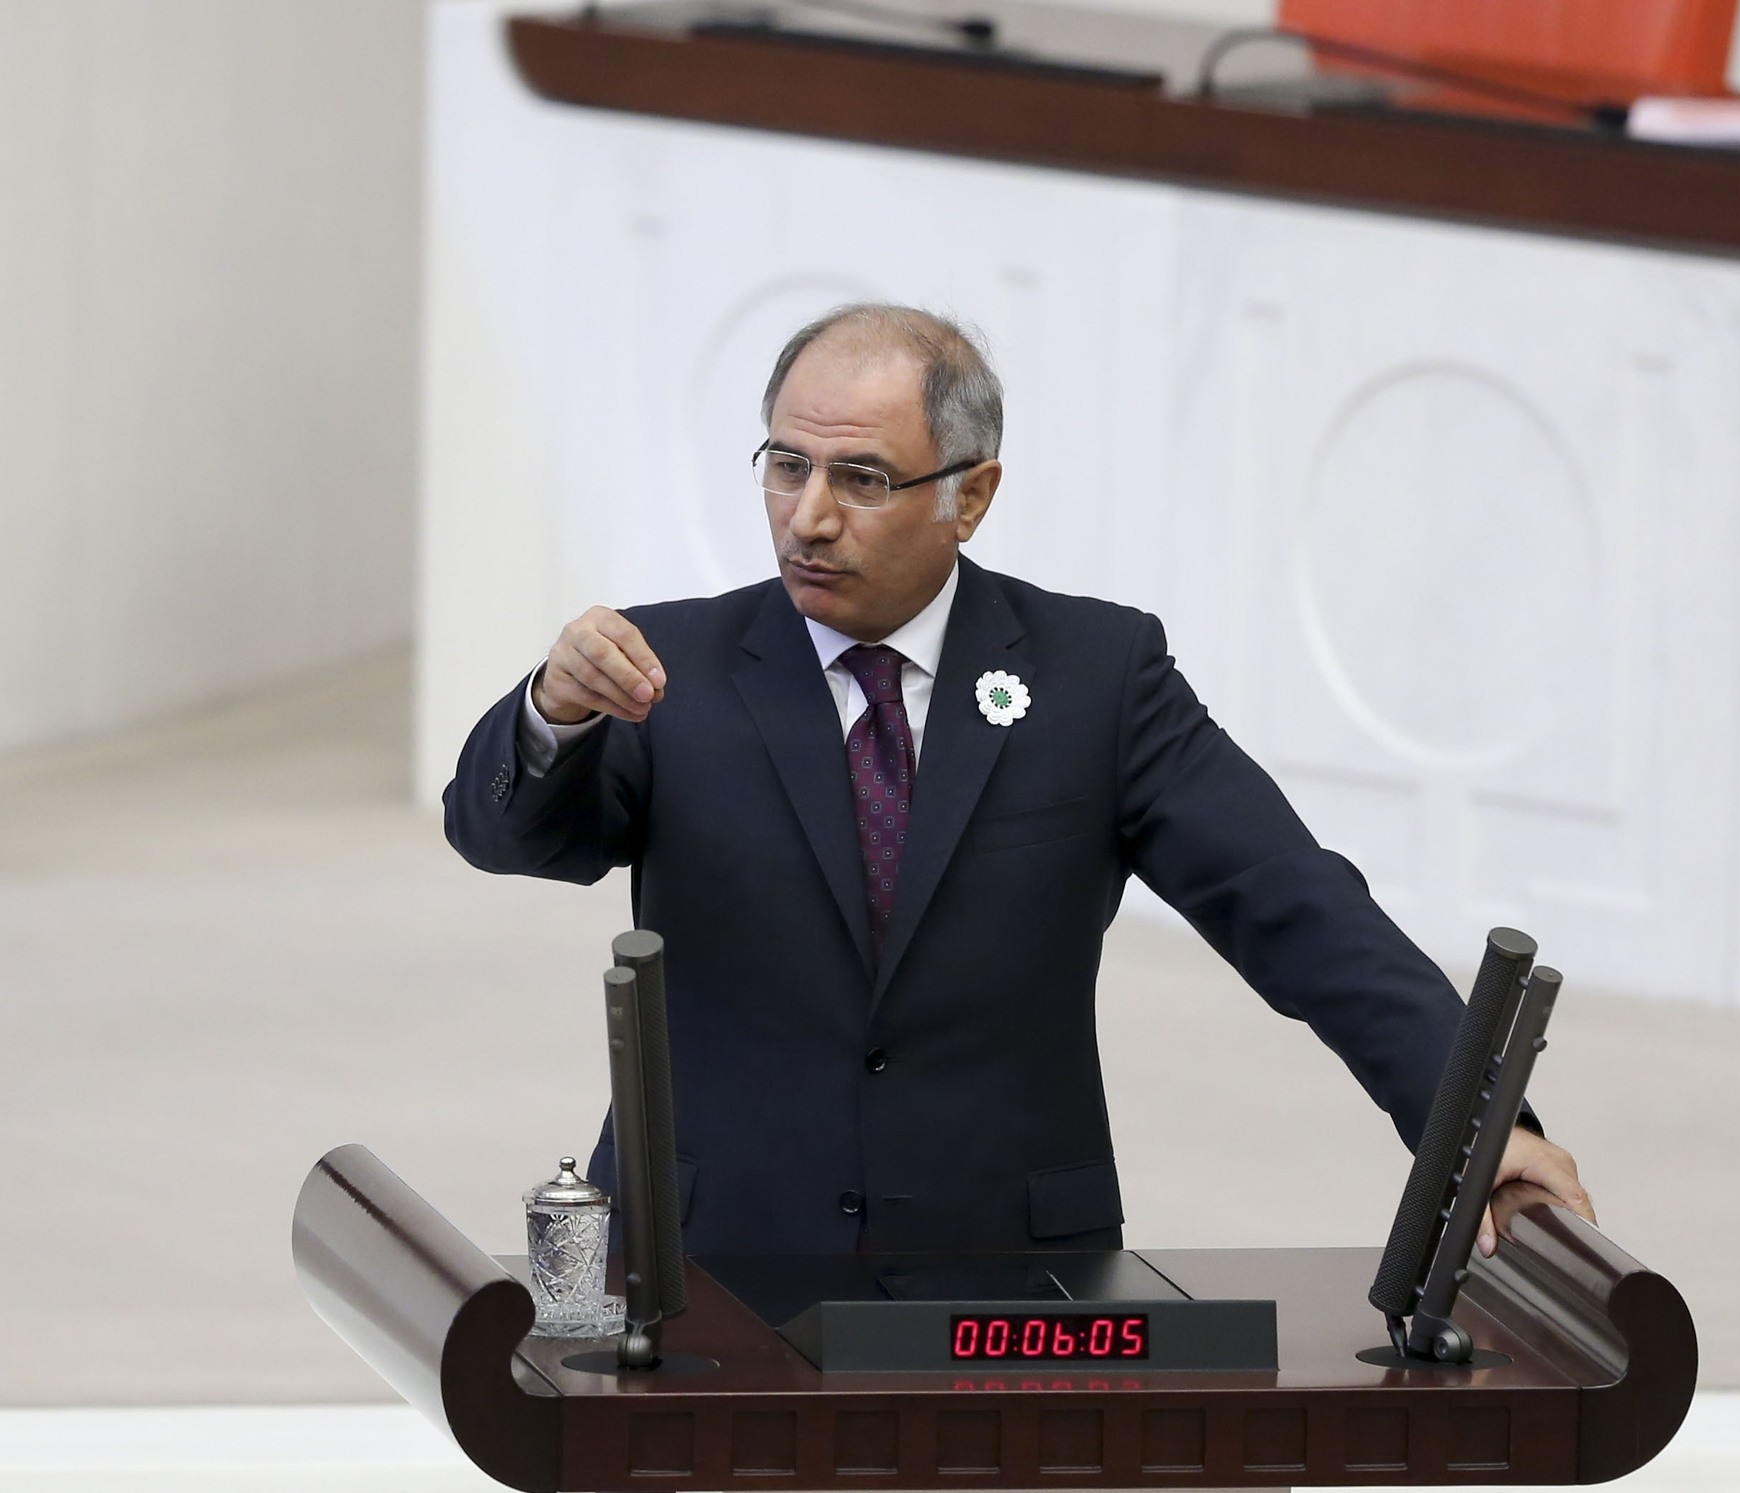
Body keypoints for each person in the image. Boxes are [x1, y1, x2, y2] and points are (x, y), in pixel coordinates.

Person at [445, 303, 1592, 1257]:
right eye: (786, 465)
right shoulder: (667, 666)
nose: (810, 515)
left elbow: (1295, 905)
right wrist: (554, 709)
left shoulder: (1097, 676)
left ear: (971, 495)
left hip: (1002, 1267)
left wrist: (1476, 1125)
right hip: (704, 1255)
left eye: (863, 477)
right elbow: (509, 840)